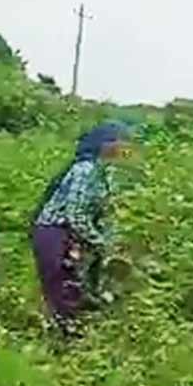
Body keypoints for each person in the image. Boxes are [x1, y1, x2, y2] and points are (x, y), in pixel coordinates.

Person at [31, 122, 132, 334]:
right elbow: (75, 214)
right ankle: (61, 340)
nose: (122, 145)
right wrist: (101, 243)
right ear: (103, 145)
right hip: (55, 231)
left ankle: (74, 335)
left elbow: (106, 211)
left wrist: (111, 239)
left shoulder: (105, 173)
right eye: (116, 140)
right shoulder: (85, 170)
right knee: (62, 287)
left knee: (81, 287)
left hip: (77, 234)